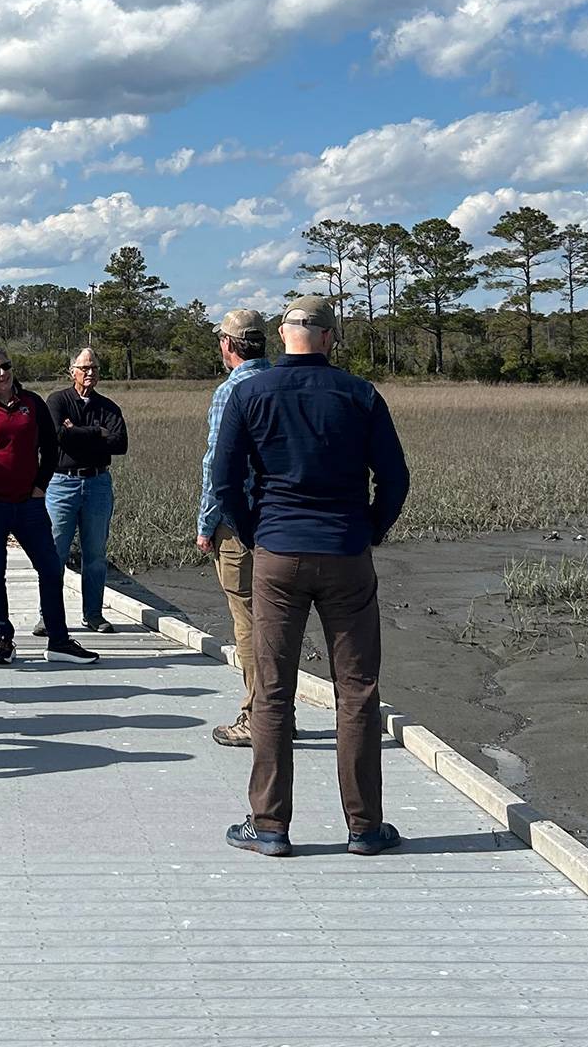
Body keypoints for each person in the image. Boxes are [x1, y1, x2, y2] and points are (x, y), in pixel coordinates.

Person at [211, 296, 410, 858]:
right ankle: (365, 827)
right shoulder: (359, 394)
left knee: (273, 691)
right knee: (359, 690)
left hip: (277, 553)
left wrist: (256, 533)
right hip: (347, 552)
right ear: (328, 338)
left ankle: (270, 825)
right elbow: (395, 479)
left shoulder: (250, 392)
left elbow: (224, 481)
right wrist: (370, 529)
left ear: (283, 334)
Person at [0, 347, 94, 666]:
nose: (3, 373)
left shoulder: (32, 403)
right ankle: (4, 638)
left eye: (6, 366)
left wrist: (40, 486)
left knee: (50, 569)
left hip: (29, 503)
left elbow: (51, 445)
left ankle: (58, 640)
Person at [195, 310, 270, 748]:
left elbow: (218, 466)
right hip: (278, 521)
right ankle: (280, 710)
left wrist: (207, 523)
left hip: (237, 525)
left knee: (248, 622)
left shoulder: (231, 391)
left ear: (229, 344)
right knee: (275, 621)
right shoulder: (277, 383)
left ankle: (258, 715)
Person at [45, 347, 128, 635]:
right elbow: (59, 436)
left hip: (97, 484)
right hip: (62, 484)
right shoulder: (57, 401)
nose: (89, 372)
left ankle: (93, 614)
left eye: (94, 368)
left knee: (95, 554)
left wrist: (77, 431)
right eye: (84, 368)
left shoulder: (108, 407)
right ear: (72, 372)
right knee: (54, 552)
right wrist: (97, 433)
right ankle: (49, 616)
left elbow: (120, 444)